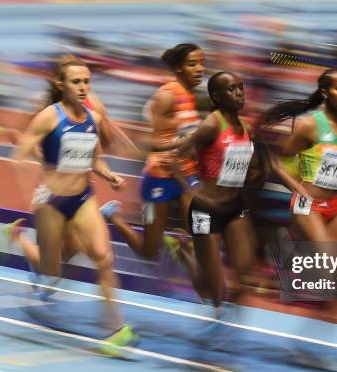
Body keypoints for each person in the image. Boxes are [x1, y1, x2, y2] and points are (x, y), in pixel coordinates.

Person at [12, 56, 138, 353]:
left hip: (82, 199)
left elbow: (94, 157)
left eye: (86, 82)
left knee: (103, 257)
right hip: (52, 203)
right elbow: (19, 154)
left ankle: (115, 330)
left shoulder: (92, 118)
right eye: (76, 82)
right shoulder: (48, 117)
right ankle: (18, 237)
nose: (83, 88)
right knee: (52, 270)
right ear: (61, 84)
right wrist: (34, 186)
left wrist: (110, 176)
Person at [258, 68, 337, 371]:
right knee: (327, 263)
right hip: (308, 205)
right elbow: (276, 160)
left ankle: (310, 347)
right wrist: (298, 187)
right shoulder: (310, 126)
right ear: (325, 93)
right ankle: (284, 262)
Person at [100, 44, 206, 261]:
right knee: (149, 252)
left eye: (202, 63)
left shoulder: (190, 96)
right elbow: (149, 141)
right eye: (193, 64)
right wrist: (186, 141)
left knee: (201, 234)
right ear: (178, 68)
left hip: (186, 174)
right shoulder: (167, 96)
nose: (200, 69)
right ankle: (113, 214)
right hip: (159, 178)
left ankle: (184, 248)